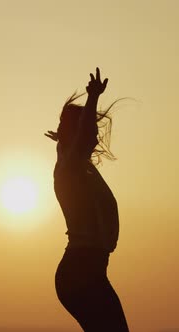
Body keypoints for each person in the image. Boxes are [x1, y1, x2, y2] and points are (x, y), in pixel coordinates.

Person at [45, 68, 130, 332]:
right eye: (88, 127)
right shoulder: (69, 167)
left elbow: (80, 138)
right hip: (81, 270)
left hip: (90, 270)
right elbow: (81, 138)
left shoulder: (80, 169)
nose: (95, 135)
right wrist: (92, 98)